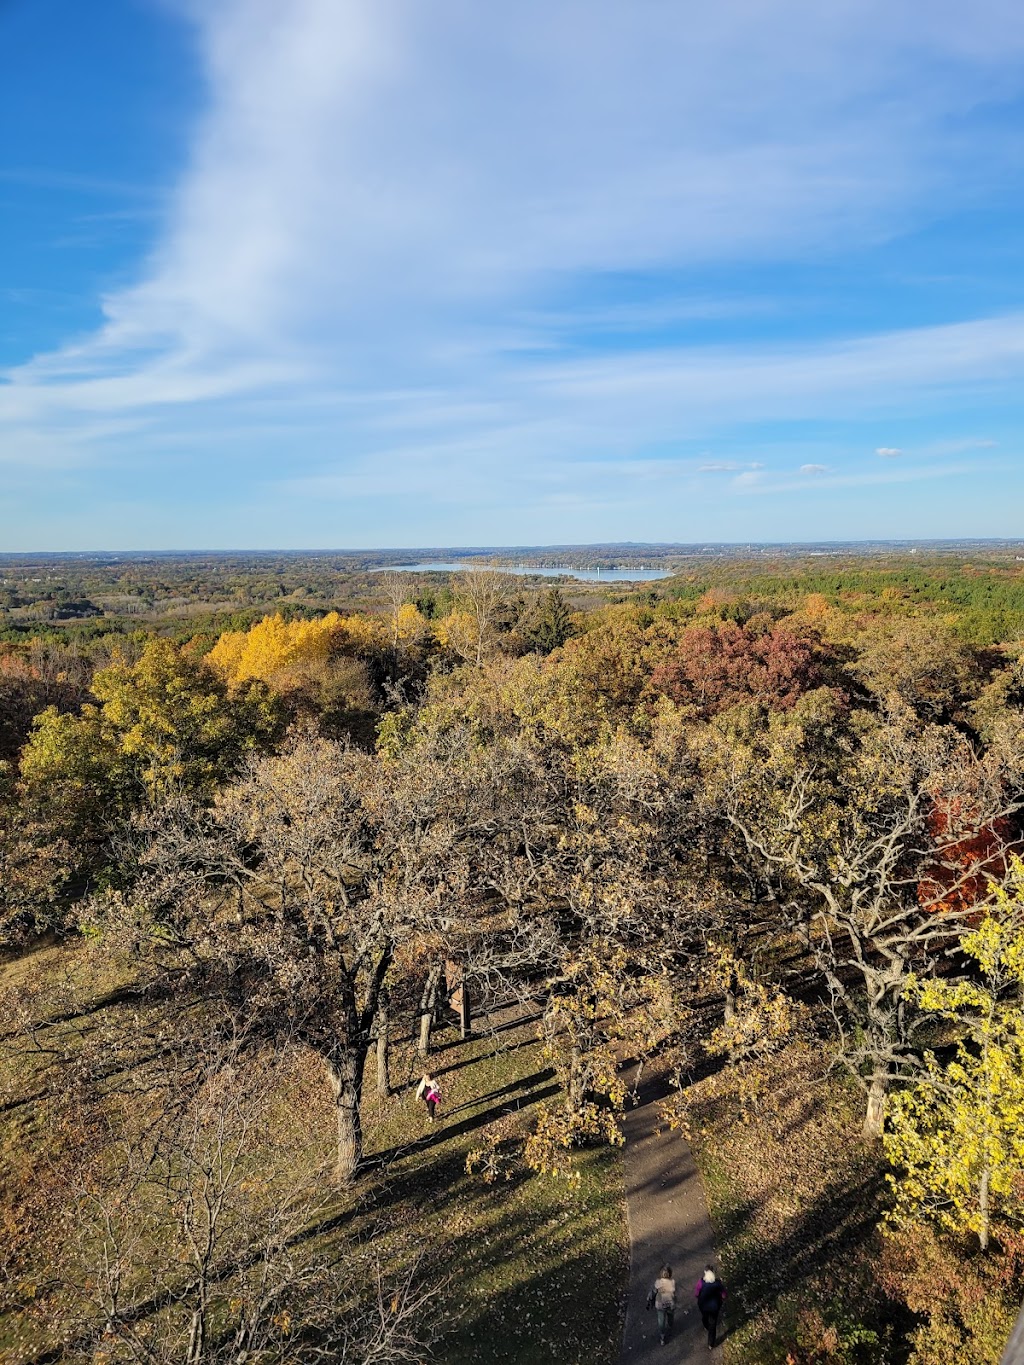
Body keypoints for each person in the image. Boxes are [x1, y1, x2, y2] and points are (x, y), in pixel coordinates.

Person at [694, 1265, 726, 1349]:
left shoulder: (701, 1282)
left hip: (703, 1305)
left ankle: (706, 1325)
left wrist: (699, 1297)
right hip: (714, 1307)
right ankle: (711, 1343)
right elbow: (723, 1294)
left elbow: (696, 1293)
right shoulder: (717, 1283)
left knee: (705, 1317)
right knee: (713, 1323)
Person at [646, 1263, 677, 1346]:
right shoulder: (672, 1282)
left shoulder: (658, 1282)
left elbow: (654, 1292)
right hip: (670, 1304)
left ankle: (662, 1337)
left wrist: (649, 1298)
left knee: (661, 1320)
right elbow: (674, 1292)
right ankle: (670, 1326)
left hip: (660, 1304)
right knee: (670, 1316)